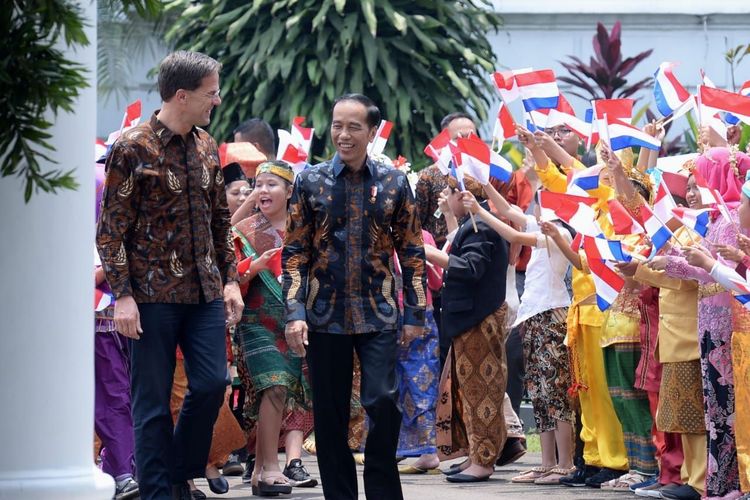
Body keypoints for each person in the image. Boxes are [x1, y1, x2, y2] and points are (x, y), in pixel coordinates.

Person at [96, 50, 243, 500]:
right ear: (182, 95)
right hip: (150, 298)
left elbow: (221, 220)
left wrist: (231, 279)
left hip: (203, 295)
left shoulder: (204, 145)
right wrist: (122, 295)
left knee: (212, 384)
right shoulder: (132, 146)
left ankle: (178, 471)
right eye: (210, 93)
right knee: (152, 403)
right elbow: (111, 231)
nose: (216, 101)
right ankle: (159, 492)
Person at [283, 93, 426, 500]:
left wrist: (415, 313)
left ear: (372, 131)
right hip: (323, 315)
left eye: (353, 127)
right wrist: (294, 312)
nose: (343, 135)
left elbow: (412, 252)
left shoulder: (394, 183)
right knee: (329, 417)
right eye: (337, 125)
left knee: (382, 402)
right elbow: (294, 253)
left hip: (378, 313)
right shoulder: (309, 181)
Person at [655, 146, 750, 499]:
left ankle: (730, 481)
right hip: (710, 322)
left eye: (702, 179)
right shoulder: (716, 219)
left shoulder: (730, 221)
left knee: (726, 408)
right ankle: (719, 481)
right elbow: (703, 269)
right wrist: (674, 262)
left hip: (728, 323)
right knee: (716, 408)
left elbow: (718, 272)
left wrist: (687, 262)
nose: (695, 188)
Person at [233, 160, 316, 496]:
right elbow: (228, 277)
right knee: (275, 387)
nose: (263, 191)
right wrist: (251, 269)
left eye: (272, 184)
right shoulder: (244, 230)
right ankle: (270, 468)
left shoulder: (304, 229)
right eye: (259, 184)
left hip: (295, 323)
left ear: (290, 191)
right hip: (256, 322)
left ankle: (258, 473)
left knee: (285, 393)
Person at [432, 180, 509, 483]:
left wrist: (431, 253)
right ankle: (476, 454)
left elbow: (470, 268)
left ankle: (485, 460)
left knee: (482, 392)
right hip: (467, 322)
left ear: (464, 196)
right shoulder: (473, 224)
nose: (447, 198)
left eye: (450, 192)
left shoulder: (482, 227)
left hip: (479, 321)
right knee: (468, 392)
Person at [94, 163, 139, 500]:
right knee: (114, 396)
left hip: (116, 319)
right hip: (99, 322)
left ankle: (123, 468)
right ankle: (121, 469)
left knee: (120, 395)